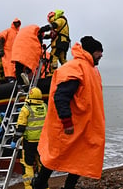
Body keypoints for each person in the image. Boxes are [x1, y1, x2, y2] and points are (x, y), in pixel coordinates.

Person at [33, 36, 105, 189]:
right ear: (91, 51)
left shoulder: (92, 70)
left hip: (86, 127)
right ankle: (38, 184)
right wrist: (67, 122)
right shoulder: (75, 67)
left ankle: (69, 186)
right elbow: (61, 97)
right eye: (99, 52)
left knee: (82, 157)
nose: (101, 55)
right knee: (54, 157)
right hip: (70, 126)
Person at [10, 87, 48, 189]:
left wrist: (14, 140)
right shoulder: (45, 106)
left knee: (27, 164)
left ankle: (29, 186)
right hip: (42, 141)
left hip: (29, 142)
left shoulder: (26, 109)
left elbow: (20, 127)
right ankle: (44, 186)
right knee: (42, 164)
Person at [38, 10, 70, 75]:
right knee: (62, 59)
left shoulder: (60, 20)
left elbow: (53, 25)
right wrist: (43, 37)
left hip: (59, 42)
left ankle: (53, 73)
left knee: (53, 56)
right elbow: (51, 35)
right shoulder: (62, 23)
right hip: (64, 43)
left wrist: (42, 29)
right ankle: (69, 72)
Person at [0, 18, 21, 83]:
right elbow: (1, 37)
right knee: (8, 67)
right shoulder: (8, 31)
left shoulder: (19, 32)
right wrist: (1, 49)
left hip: (16, 53)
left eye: (18, 22)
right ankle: (10, 80)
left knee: (16, 68)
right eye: (16, 22)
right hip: (7, 53)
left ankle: (15, 80)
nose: (17, 24)